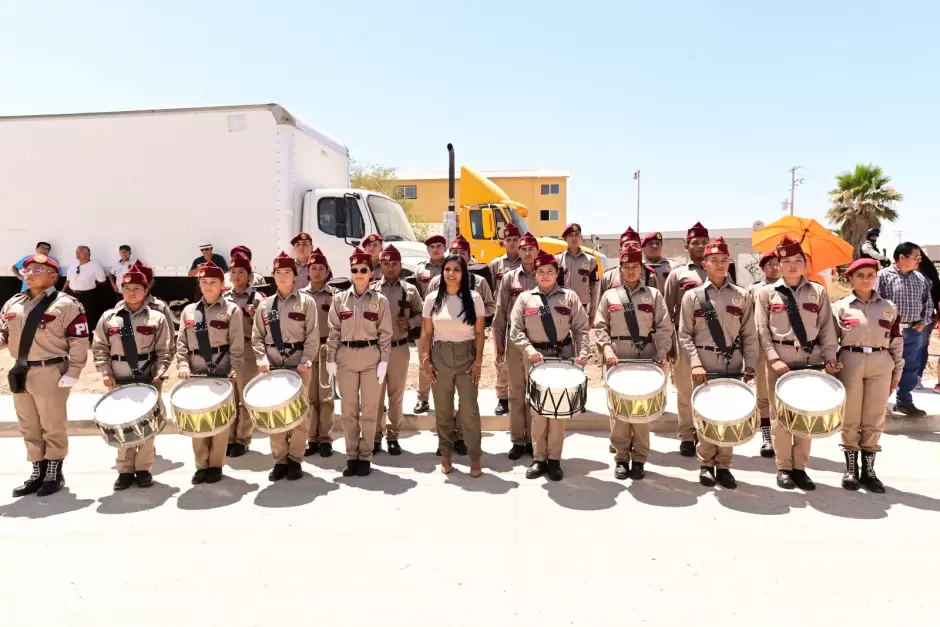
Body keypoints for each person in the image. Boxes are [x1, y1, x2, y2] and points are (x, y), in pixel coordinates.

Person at [755, 235, 840, 491]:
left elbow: (826, 328)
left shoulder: (818, 291)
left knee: (805, 416)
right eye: (787, 261)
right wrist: (773, 359)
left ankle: (800, 467)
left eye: (797, 260)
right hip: (779, 361)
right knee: (780, 417)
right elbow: (762, 330)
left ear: (805, 263)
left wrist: (830, 357)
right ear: (778, 264)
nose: (792, 265)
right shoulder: (767, 293)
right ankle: (783, 467)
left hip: (809, 360)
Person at [0, 253, 88, 497]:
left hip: (50, 370)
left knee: (52, 424)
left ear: (53, 276)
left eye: (37, 270)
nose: (29, 274)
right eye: (27, 270)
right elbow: (3, 337)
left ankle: (54, 471)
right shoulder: (13, 303)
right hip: (20, 371)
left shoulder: (66, 304)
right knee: (28, 425)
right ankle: (36, 470)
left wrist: (73, 371)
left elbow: (79, 340)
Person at [678, 237, 758, 489]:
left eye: (725, 260)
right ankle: (705, 464)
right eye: (715, 260)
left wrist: (750, 363)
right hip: (704, 361)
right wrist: (694, 363)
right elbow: (684, 334)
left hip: (731, 362)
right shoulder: (693, 296)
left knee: (729, 414)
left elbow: (749, 333)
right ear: (705, 263)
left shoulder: (742, 296)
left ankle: (724, 465)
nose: (720, 264)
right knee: (706, 413)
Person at [594, 243, 673, 480]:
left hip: (645, 359)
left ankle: (639, 459)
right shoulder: (609, 296)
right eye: (626, 267)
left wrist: (662, 352)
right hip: (618, 359)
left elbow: (664, 326)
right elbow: (599, 326)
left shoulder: (653, 295)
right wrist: (607, 349)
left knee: (640, 412)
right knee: (619, 412)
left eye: (635, 267)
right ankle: (620, 457)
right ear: (620, 269)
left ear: (642, 270)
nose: (630, 271)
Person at [509, 250, 590, 481]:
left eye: (550, 272)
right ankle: (539, 458)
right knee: (538, 411)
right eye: (541, 272)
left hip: (563, 357)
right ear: (535, 274)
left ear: (557, 274)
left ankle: (554, 460)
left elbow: (581, 329)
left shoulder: (569, 297)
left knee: (558, 411)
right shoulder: (525, 299)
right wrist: (529, 350)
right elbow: (515, 330)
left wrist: (583, 353)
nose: (545, 276)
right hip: (535, 360)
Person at [92, 268, 172, 490]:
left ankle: (144, 469)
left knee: (147, 427)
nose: (132, 292)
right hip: (118, 378)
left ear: (146, 291)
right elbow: (99, 347)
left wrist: (161, 370)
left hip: (148, 377)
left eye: (137, 288)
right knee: (122, 425)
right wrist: (106, 372)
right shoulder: (109, 317)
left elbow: (165, 349)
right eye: (127, 288)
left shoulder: (157, 317)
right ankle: (125, 470)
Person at [832, 258, 904, 493]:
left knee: (874, 418)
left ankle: (869, 470)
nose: (866, 279)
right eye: (860, 275)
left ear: (876, 277)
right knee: (850, 416)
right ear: (850, 279)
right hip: (850, 361)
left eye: (870, 275)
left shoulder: (888, 307)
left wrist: (896, 373)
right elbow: (830, 340)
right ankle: (851, 469)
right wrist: (830, 365)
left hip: (880, 362)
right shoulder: (840, 307)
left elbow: (896, 343)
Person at [252, 252, 319, 481]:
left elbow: (312, 335)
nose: (282, 277)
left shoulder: (306, 302)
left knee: (300, 413)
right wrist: (261, 360)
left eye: (287, 272)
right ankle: (279, 460)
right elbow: (257, 337)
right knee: (275, 413)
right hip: (273, 365)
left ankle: (295, 459)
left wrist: (307, 358)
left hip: (299, 364)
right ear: (273, 276)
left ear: (295, 275)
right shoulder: (265, 305)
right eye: (278, 273)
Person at [326, 247, 393, 478]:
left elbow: (385, 334)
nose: (359, 273)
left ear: (371, 273)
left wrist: (384, 361)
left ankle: (365, 456)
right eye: (355, 270)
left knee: (370, 409)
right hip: (345, 357)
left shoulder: (380, 301)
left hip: (370, 357)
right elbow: (333, 332)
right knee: (348, 410)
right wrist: (330, 360)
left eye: (363, 269)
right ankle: (351, 455)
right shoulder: (339, 300)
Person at [176, 261, 243, 485]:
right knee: (198, 420)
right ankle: (201, 464)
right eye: (203, 282)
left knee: (220, 422)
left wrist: (235, 368)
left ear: (221, 285)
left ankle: (216, 465)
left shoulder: (231, 310)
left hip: (221, 370)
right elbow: (182, 344)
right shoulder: (189, 311)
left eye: (212, 282)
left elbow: (236, 344)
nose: (207, 286)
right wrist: (183, 366)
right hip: (196, 371)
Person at [420, 253, 486, 476]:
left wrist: (478, 361)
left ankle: (474, 458)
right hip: (440, 356)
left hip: (466, 355)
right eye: (447, 269)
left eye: (456, 270)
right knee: (443, 411)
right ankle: (446, 456)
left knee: (469, 411)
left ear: (463, 273)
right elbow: (427, 333)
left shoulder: (474, 298)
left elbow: (479, 333)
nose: (451, 273)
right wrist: (426, 360)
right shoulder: (432, 299)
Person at [662, 221, 710, 456]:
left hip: (713, 342)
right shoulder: (677, 274)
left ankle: (706, 432)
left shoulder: (718, 269)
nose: (700, 246)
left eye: (704, 242)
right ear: (686, 245)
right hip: (683, 339)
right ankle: (687, 434)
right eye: (695, 243)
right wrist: (669, 343)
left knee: (708, 388)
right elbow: (666, 310)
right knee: (684, 389)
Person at [371, 245, 423, 455]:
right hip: (375, 350)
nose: (390, 268)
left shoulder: (409, 290)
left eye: (394, 264)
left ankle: (393, 436)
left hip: (399, 348)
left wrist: (410, 322)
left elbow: (422, 314)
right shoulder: (372, 290)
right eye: (386, 264)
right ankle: (375, 437)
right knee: (375, 395)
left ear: (400, 266)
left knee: (396, 395)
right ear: (380, 265)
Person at [493, 232, 540, 459]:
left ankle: (533, 440)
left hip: (539, 343)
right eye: (524, 248)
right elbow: (501, 313)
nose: (528, 252)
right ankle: (517, 440)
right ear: (518, 251)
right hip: (514, 341)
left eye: (532, 248)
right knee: (516, 392)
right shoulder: (509, 278)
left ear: (537, 251)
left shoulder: (545, 274)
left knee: (535, 393)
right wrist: (499, 345)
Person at [876, 242, 933, 417]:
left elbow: (928, 303)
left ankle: (904, 402)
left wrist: (923, 322)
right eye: (916, 258)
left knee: (911, 367)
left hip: (913, 331)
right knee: (885, 367)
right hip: (889, 332)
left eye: (919, 258)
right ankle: (879, 404)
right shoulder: (883, 276)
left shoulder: (920, 278)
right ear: (902, 257)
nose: (918, 261)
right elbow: (876, 302)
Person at [224, 252, 264, 458]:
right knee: (230, 398)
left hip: (248, 351)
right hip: (227, 351)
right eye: (233, 272)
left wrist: (253, 314)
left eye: (241, 272)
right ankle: (228, 438)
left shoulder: (258, 299)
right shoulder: (224, 298)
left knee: (245, 398)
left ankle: (242, 438)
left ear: (249, 276)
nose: (237, 275)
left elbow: (268, 326)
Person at [300, 247, 338, 457]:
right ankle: (311, 438)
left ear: (326, 271)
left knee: (326, 397)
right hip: (306, 351)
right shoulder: (301, 296)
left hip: (326, 350)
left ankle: (325, 438)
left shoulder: (334, 296)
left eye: (320, 268)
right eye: (313, 268)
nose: (316, 272)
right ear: (308, 271)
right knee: (309, 397)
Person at [749, 252, 782, 457]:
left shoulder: (789, 289)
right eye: (769, 264)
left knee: (783, 393)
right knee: (763, 395)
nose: (774, 267)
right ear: (762, 268)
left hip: (784, 347)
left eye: (777, 263)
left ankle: (784, 437)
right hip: (760, 347)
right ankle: (767, 436)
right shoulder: (752, 290)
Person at [489, 223, 523, 415]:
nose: (512, 243)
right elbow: (493, 291)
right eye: (508, 240)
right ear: (504, 243)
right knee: (500, 359)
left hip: (524, 320)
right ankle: (502, 397)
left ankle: (523, 395)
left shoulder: (526, 262)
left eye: (515, 240)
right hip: (503, 318)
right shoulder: (496, 265)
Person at [413, 234, 447, 413]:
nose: (436, 249)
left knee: (446, 362)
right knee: (424, 361)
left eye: (439, 246)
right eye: (432, 246)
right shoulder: (420, 270)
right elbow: (415, 295)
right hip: (425, 321)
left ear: (445, 248)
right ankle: (422, 399)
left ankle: (445, 400)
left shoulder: (451, 267)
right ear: (427, 250)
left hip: (446, 321)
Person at [556, 222, 599, 327]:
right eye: (570, 235)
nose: (574, 238)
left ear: (581, 238)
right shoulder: (557, 260)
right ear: (565, 239)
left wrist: (592, 315)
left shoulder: (590, 260)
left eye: (577, 235)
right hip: (560, 309)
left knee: (582, 342)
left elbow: (595, 290)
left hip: (582, 310)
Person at [63, 245, 107, 336]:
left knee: (88, 316)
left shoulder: (95, 266)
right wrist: (63, 291)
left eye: (80, 252)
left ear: (88, 254)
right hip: (72, 294)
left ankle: (89, 337)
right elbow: (68, 280)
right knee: (72, 315)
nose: (78, 254)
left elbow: (101, 281)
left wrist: (88, 286)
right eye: (76, 252)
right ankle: (73, 335)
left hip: (88, 295)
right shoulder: (73, 265)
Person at [915, 251, 940, 392]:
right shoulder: (931, 277)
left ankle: (914, 377)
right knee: (921, 347)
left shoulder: (924, 278)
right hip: (927, 317)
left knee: (917, 348)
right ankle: (916, 378)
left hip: (923, 318)